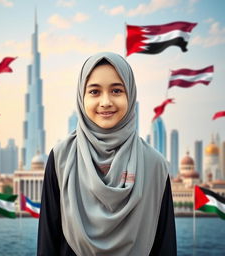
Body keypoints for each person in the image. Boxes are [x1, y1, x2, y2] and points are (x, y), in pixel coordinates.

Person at [37, 52, 177, 256]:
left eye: (117, 91)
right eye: (94, 92)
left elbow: (165, 246)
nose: (106, 102)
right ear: (81, 97)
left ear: (130, 94)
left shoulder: (154, 164)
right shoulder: (62, 158)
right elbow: (48, 242)